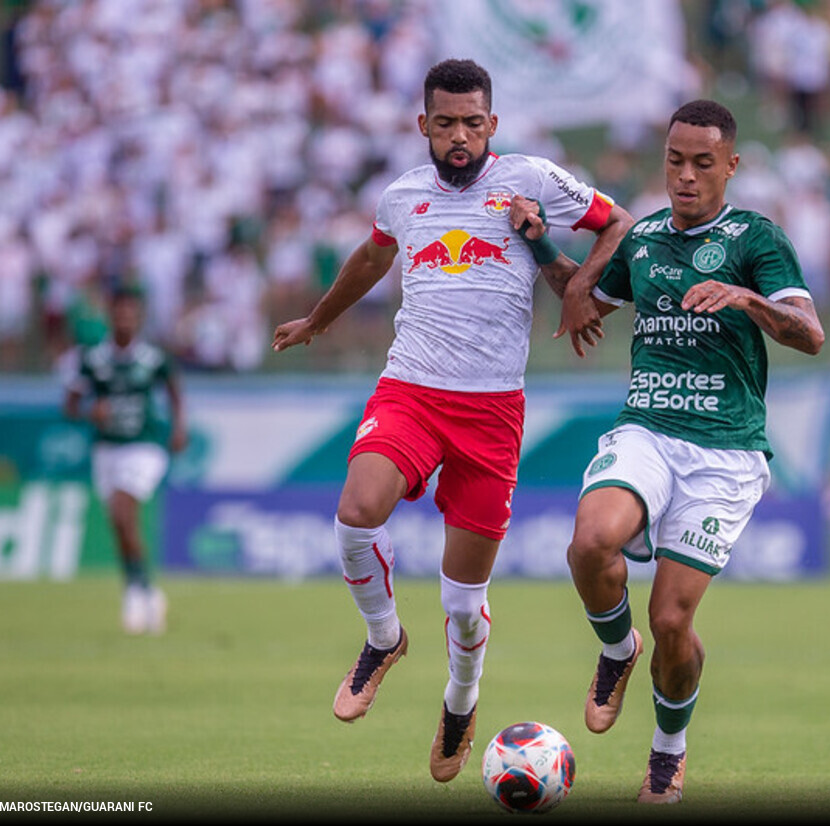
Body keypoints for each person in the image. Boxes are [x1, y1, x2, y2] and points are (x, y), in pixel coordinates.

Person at [270, 59, 631, 783]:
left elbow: (617, 221)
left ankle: (460, 704)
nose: (458, 136)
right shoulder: (402, 195)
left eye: (472, 122)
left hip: (493, 409)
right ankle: (383, 639)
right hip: (411, 390)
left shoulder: (530, 179)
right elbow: (372, 261)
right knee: (354, 512)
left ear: (491, 124)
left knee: (463, 606)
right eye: (445, 124)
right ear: (423, 126)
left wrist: (578, 287)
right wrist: (318, 318)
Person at [533, 99, 824, 804]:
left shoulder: (758, 239)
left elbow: (810, 333)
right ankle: (614, 651)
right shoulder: (644, 238)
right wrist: (541, 243)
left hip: (725, 452)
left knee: (672, 621)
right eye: (674, 160)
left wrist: (747, 301)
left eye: (702, 163)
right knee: (589, 542)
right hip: (648, 431)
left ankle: (668, 749)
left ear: (731, 166)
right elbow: (582, 302)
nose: (686, 176)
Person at [62, 284, 188, 635]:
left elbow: (175, 390)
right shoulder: (93, 359)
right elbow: (69, 404)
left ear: (139, 317)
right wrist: (90, 411)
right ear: (110, 315)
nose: (126, 319)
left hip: (143, 447)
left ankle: (136, 594)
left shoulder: (152, 357)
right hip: (107, 449)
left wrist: (180, 428)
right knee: (120, 526)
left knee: (123, 509)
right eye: (120, 312)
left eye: (132, 313)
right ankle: (144, 589)